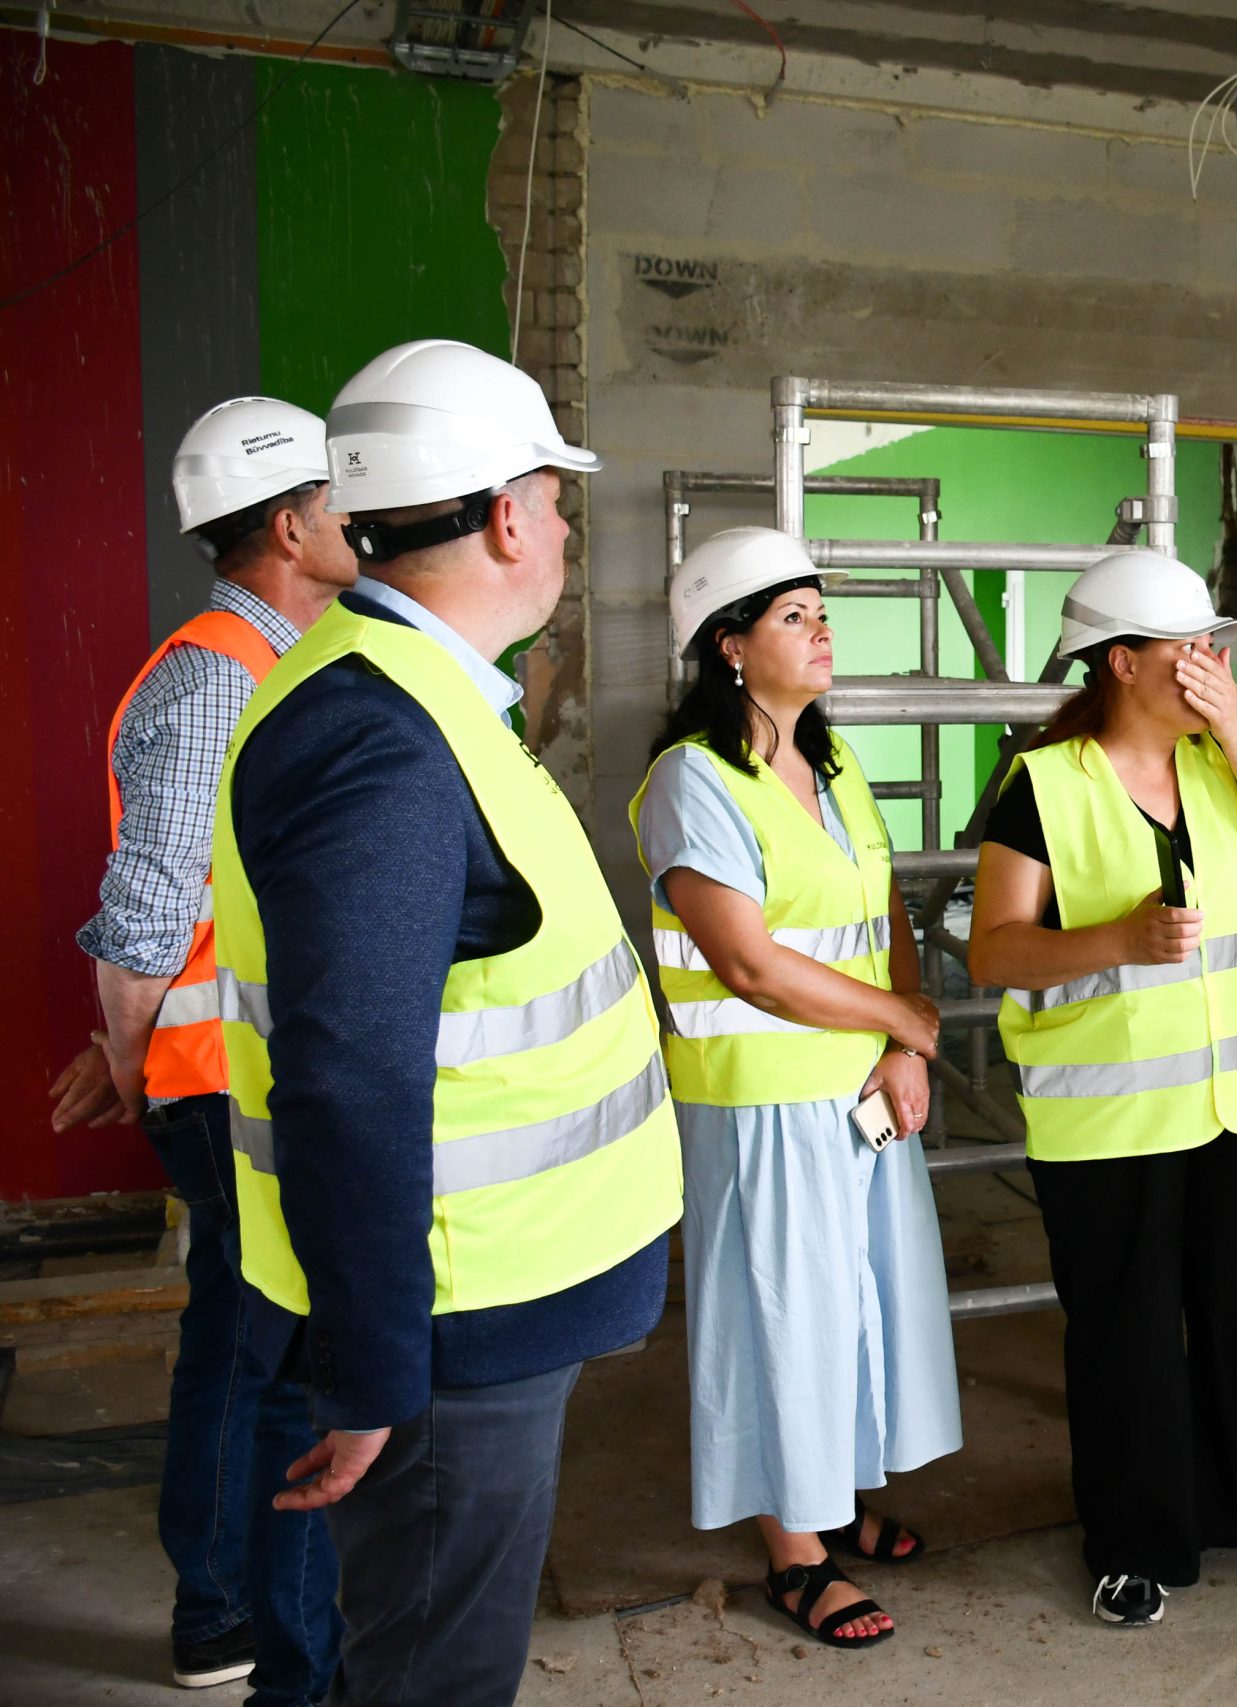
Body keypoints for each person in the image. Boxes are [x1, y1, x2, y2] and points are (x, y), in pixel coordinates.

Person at [211, 339, 683, 1705]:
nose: (566, 533)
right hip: (446, 1331)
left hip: (481, 1308)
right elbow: (348, 1081)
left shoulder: (418, 696)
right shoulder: (377, 734)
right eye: (559, 501)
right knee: (434, 1679)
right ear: (507, 518)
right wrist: (370, 1372)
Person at [967, 548, 1237, 1629]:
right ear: (1121, 662)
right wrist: (1114, 941)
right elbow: (993, 951)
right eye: (1187, 649)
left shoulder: (1224, 769)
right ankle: (1134, 1539)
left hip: (1234, 1110)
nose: (1207, 665)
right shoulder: (1044, 784)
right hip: (1108, 1122)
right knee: (1125, 1337)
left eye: (1212, 648)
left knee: (1236, 1322)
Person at [48, 398, 354, 1700]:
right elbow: (147, 913)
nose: (356, 520)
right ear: (288, 526)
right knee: (256, 1350)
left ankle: (226, 1599)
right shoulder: (221, 673)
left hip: (242, 1068)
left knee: (245, 1335)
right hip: (219, 1078)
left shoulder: (281, 656)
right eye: (337, 501)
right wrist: (131, 1061)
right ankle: (223, 1605)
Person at [631, 526, 961, 1649]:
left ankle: (836, 1497)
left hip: (858, 1090)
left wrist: (903, 1040)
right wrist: (903, 1021)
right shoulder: (692, 781)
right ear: (728, 646)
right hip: (759, 1099)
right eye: (793, 616)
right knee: (780, 1318)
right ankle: (795, 1555)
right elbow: (748, 964)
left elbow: (884, 912)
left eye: (824, 613)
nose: (822, 632)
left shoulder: (832, 762)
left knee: (855, 1309)